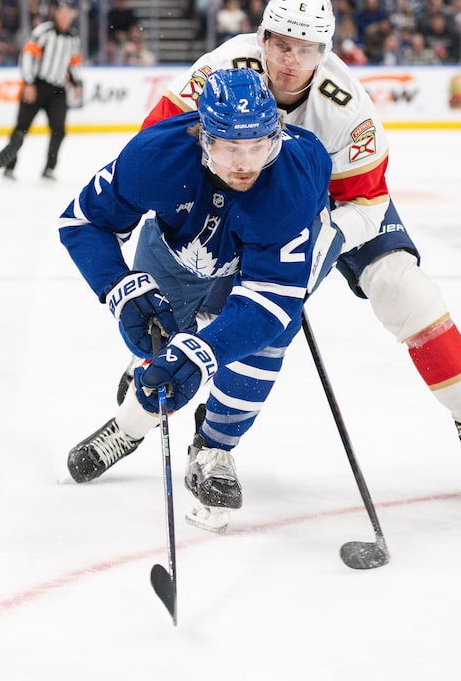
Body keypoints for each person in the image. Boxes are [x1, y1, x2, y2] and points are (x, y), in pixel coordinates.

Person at [139, 0, 461, 489]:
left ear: (325, 52)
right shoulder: (220, 70)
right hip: (243, 193)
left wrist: (322, 239)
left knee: (401, 286)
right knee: (226, 310)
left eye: (306, 49)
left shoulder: (347, 107)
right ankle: (148, 406)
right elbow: (156, 144)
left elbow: (368, 202)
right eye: (282, 45)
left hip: (337, 204)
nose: (291, 61)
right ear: (262, 39)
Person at [60, 68, 338, 531]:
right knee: (156, 342)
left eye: (258, 146)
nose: (245, 164)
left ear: (276, 136)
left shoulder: (293, 175)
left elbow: (271, 299)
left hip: (258, 254)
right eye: (230, 148)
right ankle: (128, 428)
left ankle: (214, 447)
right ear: (203, 138)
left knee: (267, 339)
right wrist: (119, 288)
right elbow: (83, 221)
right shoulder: (156, 155)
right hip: (177, 247)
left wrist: (205, 352)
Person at [1, 0, 83, 181]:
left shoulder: (74, 38)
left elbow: (73, 64)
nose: (65, 16)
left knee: (59, 130)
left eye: (68, 12)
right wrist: (29, 83)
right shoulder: (43, 32)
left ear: (72, 15)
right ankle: (9, 166)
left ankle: (49, 168)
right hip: (38, 85)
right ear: (56, 13)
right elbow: (27, 56)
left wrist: (76, 83)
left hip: (58, 90)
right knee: (21, 127)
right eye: (61, 12)